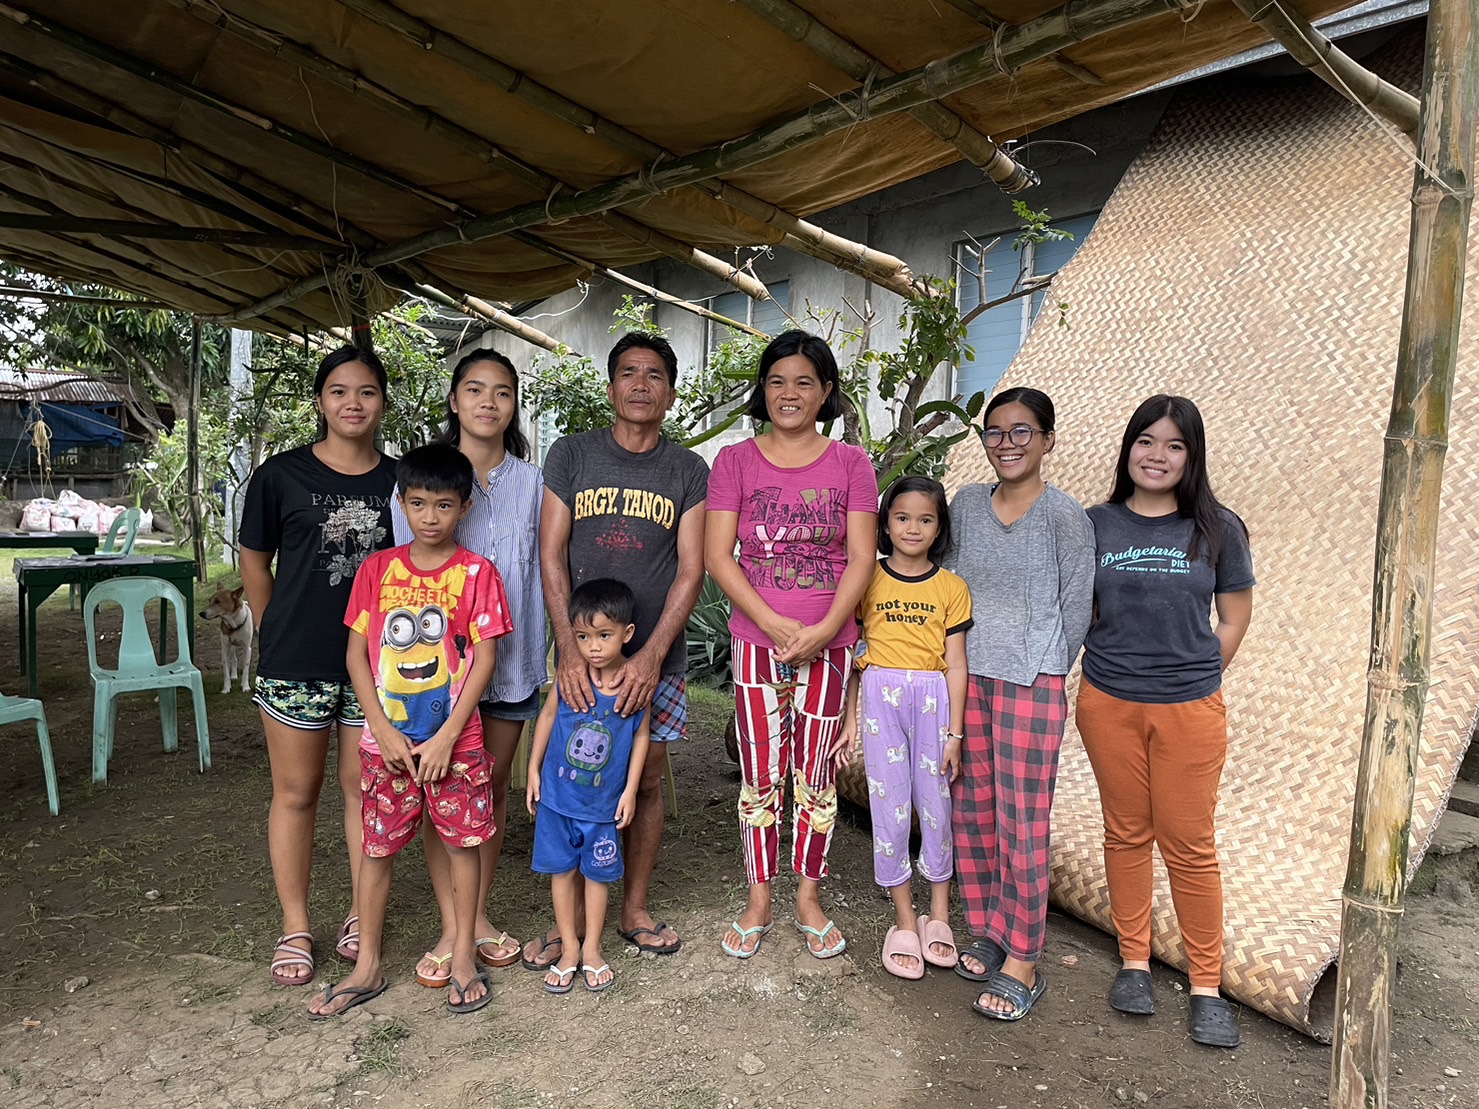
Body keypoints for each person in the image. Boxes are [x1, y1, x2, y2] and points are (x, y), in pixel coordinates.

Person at [308, 444, 513, 1018]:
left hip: (458, 744)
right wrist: (380, 727)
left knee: (463, 844)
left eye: (443, 505)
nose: (430, 516)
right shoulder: (377, 570)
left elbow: (484, 661)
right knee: (377, 849)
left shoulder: (478, 574)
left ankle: (465, 955)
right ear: (401, 503)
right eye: (418, 503)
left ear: (464, 508)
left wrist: (449, 734)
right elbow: (355, 656)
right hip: (386, 747)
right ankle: (367, 964)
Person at [1075, 395, 1254, 1048]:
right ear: (1128, 449)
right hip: (1106, 702)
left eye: (1174, 445)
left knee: (1188, 840)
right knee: (1126, 830)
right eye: (1146, 441)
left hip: (1187, 708)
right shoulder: (1095, 523)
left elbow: (1233, 616)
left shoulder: (1217, 528)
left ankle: (1205, 984)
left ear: (1191, 456)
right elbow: (1077, 607)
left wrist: (1197, 672)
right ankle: (1133, 961)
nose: (1157, 455)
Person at [525, 331, 708, 969]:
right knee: (573, 775)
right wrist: (569, 651)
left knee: (646, 778)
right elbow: (550, 553)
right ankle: (570, 921)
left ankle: (632, 906)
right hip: (584, 656)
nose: (640, 384)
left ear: (670, 391)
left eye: (654, 374)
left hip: (655, 657)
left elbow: (692, 569)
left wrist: (653, 654)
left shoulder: (687, 470)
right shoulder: (571, 456)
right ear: (610, 387)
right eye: (628, 372)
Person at [706, 330, 877, 960]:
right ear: (763, 389)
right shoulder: (735, 462)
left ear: (826, 392)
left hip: (831, 646)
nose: (790, 393)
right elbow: (718, 557)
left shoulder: (852, 464)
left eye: (805, 381)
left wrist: (827, 629)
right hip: (758, 643)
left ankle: (808, 894)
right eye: (777, 380)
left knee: (818, 772)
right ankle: (758, 898)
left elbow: (862, 557)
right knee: (760, 774)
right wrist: (777, 628)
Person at [240, 346, 399, 988]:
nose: (352, 403)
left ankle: (362, 915)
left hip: (380, 666)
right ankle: (296, 924)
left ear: (383, 402)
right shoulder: (280, 476)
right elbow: (255, 561)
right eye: (338, 391)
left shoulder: (401, 481)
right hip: (296, 660)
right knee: (296, 793)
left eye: (365, 391)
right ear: (320, 402)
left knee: (365, 792)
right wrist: (275, 625)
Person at [390, 349, 545, 984]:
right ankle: (454, 926)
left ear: (513, 407)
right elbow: (397, 576)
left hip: (507, 662)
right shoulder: (419, 482)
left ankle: (477, 916)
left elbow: (544, 570)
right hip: (428, 672)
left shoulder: (533, 484)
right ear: (453, 400)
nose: (488, 402)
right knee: (439, 788)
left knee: (488, 788)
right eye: (475, 390)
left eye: (502, 392)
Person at [943, 387, 1095, 1021]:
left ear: (1048, 440)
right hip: (963, 677)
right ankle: (989, 925)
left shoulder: (1065, 516)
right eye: (995, 432)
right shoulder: (968, 504)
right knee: (971, 807)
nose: (1007, 443)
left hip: (1031, 681)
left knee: (1023, 820)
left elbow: (1077, 605)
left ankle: (1026, 959)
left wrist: (1044, 663)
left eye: (1021, 432)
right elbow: (945, 586)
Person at [840, 475, 971, 979]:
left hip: (933, 700)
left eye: (925, 519)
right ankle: (903, 919)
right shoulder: (866, 579)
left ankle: (938, 913)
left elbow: (956, 664)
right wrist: (851, 719)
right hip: (880, 700)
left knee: (936, 802)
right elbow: (854, 655)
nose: (912, 528)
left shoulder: (952, 587)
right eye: (901, 517)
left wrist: (955, 734)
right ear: (885, 524)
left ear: (939, 528)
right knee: (889, 806)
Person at [526, 579, 651, 994]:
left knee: (597, 877)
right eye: (582, 637)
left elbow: (640, 738)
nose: (593, 647)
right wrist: (532, 768)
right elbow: (545, 719)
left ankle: (594, 948)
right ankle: (570, 949)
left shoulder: (634, 687)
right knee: (561, 873)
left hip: (603, 807)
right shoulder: (570, 679)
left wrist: (631, 790)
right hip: (558, 802)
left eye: (603, 636)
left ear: (626, 634)